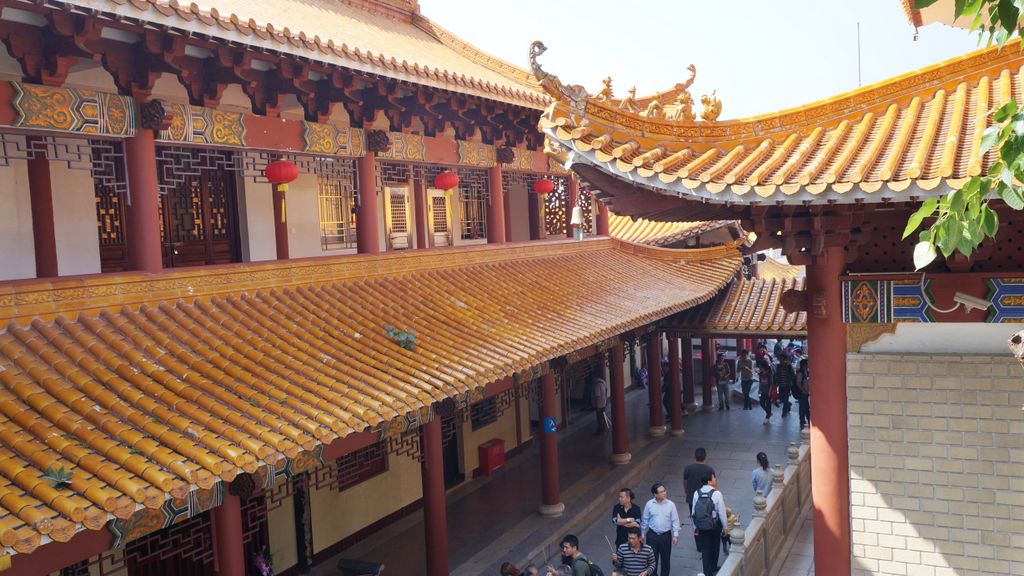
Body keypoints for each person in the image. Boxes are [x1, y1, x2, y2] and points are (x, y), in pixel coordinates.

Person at [692, 472, 730, 576]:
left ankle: (707, 571)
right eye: (713, 477)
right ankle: (713, 566)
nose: (715, 479)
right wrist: (725, 527)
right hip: (714, 525)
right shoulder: (717, 493)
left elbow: (694, 512)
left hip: (701, 526)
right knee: (715, 545)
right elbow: (721, 512)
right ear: (709, 481)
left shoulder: (697, 493)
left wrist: (695, 527)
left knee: (705, 549)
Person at [640, 482, 679, 576]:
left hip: (665, 535)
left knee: (666, 559)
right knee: (652, 560)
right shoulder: (649, 504)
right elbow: (645, 520)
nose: (664, 493)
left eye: (664, 490)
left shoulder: (671, 505)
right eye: (661, 492)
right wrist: (642, 534)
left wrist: (675, 535)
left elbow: (675, 520)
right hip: (652, 535)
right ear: (655, 494)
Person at [682, 448, 715, 519]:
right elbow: (713, 483)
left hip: (691, 496)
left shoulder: (688, 468)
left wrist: (687, 491)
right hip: (706, 498)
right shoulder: (709, 469)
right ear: (705, 457)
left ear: (695, 457)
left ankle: (695, 527)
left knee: (693, 514)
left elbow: (685, 482)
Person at [774, 352, 795, 418]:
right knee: (781, 398)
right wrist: (776, 382)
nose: (780, 360)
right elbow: (776, 375)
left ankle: (784, 412)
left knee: (785, 399)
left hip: (787, 385)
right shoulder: (778, 366)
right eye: (780, 359)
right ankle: (788, 404)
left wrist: (791, 382)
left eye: (782, 358)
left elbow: (793, 375)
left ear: (785, 359)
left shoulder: (789, 366)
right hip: (780, 384)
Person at [756, 354, 773, 425]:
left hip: (769, 391)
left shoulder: (769, 373)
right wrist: (759, 389)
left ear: (764, 367)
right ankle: (769, 413)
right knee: (762, 403)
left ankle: (767, 416)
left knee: (768, 404)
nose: (760, 368)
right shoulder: (761, 374)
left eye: (760, 367)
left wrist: (769, 392)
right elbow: (760, 382)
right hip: (763, 391)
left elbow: (771, 383)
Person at [794, 358, 810, 429]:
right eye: (807, 364)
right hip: (802, 393)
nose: (808, 365)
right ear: (804, 365)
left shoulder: (806, 371)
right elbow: (798, 383)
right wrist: (803, 390)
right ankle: (802, 421)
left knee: (806, 407)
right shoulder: (800, 373)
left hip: (805, 393)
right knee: (803, 408)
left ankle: (807, 420)